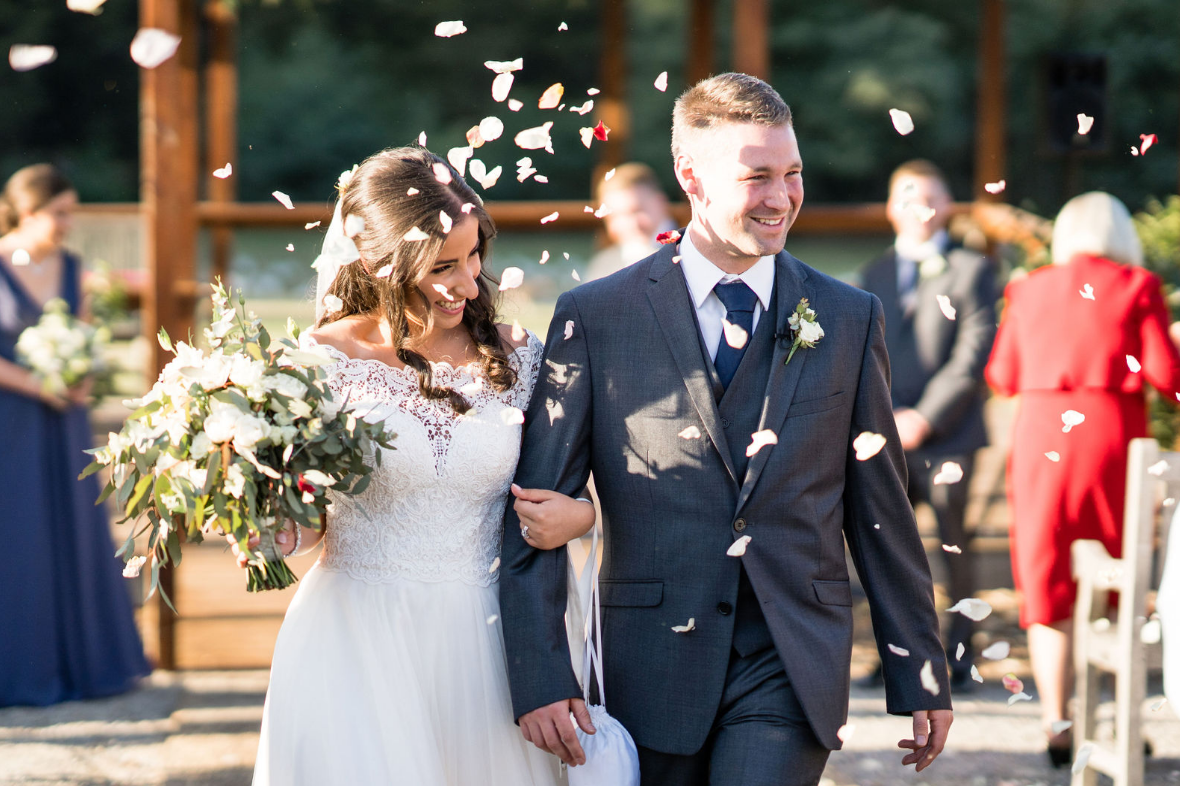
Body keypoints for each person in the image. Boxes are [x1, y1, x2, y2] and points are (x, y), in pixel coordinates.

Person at [500, 73, 953, 786]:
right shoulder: (599, 315)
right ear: (692, 177)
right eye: (758, 177)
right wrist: (540, 676)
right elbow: (531, 504)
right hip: (648, 661)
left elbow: (880, 507)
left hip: (791, 655)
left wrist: (919, 667)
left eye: (793, 173)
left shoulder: (847, 315)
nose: (781, 197)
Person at [251, 146, 596, 786]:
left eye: (474, 257)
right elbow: (305, 522)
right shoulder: (319, 363)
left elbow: (578, 485)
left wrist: (582, 516)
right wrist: (268, 528)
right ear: (377, 259)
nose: (469, 282)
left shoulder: (521, 360)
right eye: (444, 265)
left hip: (489, 642)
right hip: (355, 638)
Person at [985, 191, 1180, 766]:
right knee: (1113, 582)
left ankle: (1058, 723)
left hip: (1043, 438)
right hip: (1110, 443)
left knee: (1048, 583)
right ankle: (1111, 720)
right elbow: (1167, 376)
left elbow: (1001, 374)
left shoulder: (1028, 287)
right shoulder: (1136, 285)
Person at [0, 163, 149, 706]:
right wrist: (39, 384)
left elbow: (85, 334)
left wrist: (82, 373)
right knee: (15, 533)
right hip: (9, 420)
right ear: (28, 211)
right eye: (60, 213)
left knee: (70, 527)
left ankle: (82, 664)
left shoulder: (71, 267)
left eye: (71, 213)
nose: (69, 223)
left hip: (63, 420)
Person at [856, 160, 996, 689]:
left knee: (952, 542)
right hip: (883, 433)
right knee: (884, 545)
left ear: (947, 205)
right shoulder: (872, 273)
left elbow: (971, 356)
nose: (922, 207)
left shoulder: (972, 269)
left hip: (950, 434)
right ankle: (896, 655)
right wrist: (883, 420)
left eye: (933, 196)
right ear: (893, 207)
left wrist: (924, 418)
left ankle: (959, 651)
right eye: (910, 196)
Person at [585, 162, 676, 281]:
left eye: (636, 211)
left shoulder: (690, 250)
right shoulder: (602, 268)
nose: (630, 224)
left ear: (660, 202)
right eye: (616, 216)